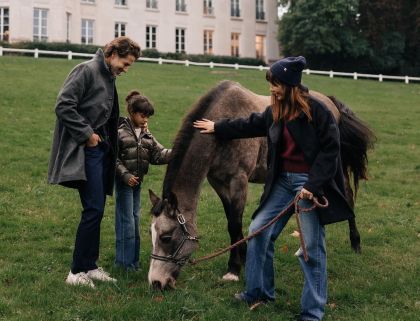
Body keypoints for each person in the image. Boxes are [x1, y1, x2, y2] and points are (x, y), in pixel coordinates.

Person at [193, 56, 354, 321]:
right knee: (257, 231)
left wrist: (313, 185)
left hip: (309, 184)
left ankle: (312, 313)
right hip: (283, 181)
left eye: (276, 84)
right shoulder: (276, 109)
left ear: (290, 85)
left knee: (311, 248)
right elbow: (251, 123)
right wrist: (217, 127)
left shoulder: (317, 110)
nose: (272, 89)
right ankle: (258, 292)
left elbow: (330, 150)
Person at [48, 36, 141, 288]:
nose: (126, 68)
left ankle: (89, 265)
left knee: (97, 209)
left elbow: (107, 113)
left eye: (129, 65)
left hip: (101, 152)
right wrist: (88, 135)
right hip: (86, 150)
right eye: (125, 62)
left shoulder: (109, 77)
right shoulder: (86, 71)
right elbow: (63, 105)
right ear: (111, 53)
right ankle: (76, 272)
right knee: (93, 210)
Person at [114, 91, 171, 270]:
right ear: (131, 112)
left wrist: (178, 152)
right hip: (124, 184)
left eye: (148, 116)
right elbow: (112, 159)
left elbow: (158, 154)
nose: (145, 119)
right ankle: (124, 263)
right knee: (126, 222)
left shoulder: (146, 135)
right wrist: (126, 175)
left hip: (137, 184)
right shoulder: (120, 133)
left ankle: (133, 261)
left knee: (135, 219)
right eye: (142, 115)